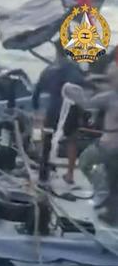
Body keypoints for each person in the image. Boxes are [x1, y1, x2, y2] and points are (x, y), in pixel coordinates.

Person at [66, 68, 118, 224]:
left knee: (85, 162)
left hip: (108, 144)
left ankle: (102, 194)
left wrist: (71, 91)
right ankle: (110, 206)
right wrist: (98, 78)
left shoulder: (110, 97)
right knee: (113, 179)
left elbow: (87, 104)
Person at [32, 45, 87, 184]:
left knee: (47, 138)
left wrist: (36, 107)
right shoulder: (73, 68)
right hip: (69, 108)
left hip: (53, 108)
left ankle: (43, 173)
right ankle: (69, 175)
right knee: (72, 140)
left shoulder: (49, 69)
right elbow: (81, 85)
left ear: (55, 51)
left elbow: (37, 90)